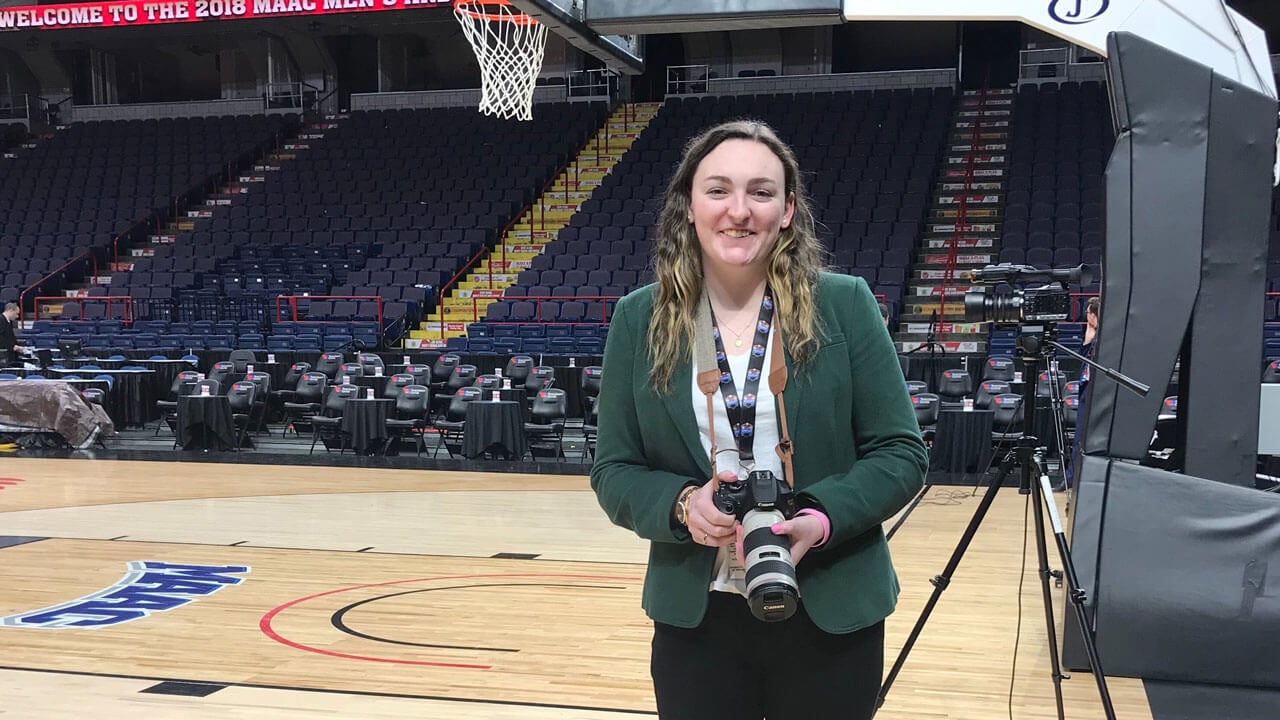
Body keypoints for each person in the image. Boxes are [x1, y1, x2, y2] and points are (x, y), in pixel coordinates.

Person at [590, 120, 928, 720]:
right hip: (697, 616)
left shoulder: (845, 304)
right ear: (689, 205)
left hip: (831, 603)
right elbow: (614, 470)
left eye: (761, 192)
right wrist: (682, 505)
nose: (739, 211)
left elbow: (901, 454)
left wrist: (819, 517)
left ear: (788, 210)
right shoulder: (637, 319)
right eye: (718, 190)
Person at [0, 302, 20, 367]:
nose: (17, 316)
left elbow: (11, 337)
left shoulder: (9, 322)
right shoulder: (1, 320)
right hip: (3, 354)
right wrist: (12, 346)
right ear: (11, 311)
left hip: (10, 354)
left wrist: (17, 345)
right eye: (16, 314)